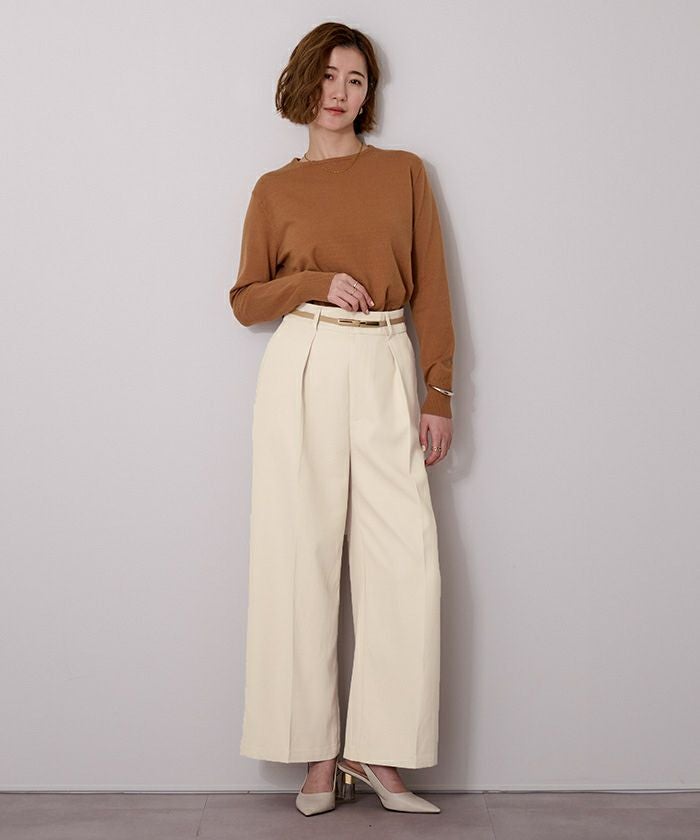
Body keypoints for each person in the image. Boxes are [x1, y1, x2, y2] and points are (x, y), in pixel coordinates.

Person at [228, 21, 455, 817]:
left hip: (387, 354)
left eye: (355, 80)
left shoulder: (404, 173)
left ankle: (378, 751)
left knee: (405, 560)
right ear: (305, 82)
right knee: (300, 553)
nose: (339, 92)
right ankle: (318, 757)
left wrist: (439, 390)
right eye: (328, 76)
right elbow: (245, 298)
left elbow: (433, 288)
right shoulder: (273, 190)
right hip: (307, 359)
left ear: (368, 95)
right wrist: (315, 281)